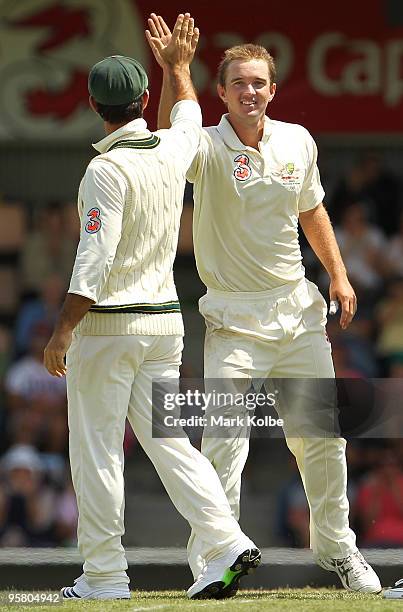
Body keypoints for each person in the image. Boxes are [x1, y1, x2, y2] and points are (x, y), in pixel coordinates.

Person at [147, 14, 381, 593]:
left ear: (272, 90)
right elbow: (165, 143)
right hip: (233, 321)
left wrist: (340, 276)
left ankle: (339, 554)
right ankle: (215, 560)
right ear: (220, 92)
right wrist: (176, 72)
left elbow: (313, 211)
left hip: (298, 316)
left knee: (323, 443)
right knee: (224, 446)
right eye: (238, 84)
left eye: (259, 83)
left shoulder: (297, 139)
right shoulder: (204, 145)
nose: (249, 92)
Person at [44, 14, 260, 601]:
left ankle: (106, 576)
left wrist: (62, 331)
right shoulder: (171, 150)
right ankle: (227, 542)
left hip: (109, 326)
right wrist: (178, 67)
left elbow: (92, 261)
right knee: (168, 443)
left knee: (95, 451)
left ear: (92, 104)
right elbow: (187, 110)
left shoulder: (104, 169)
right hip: (166, 323)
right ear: (144, 99)